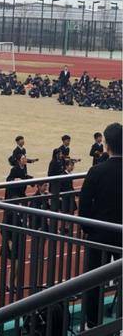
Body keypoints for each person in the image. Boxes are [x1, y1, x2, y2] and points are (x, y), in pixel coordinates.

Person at [79, 123, 122, 328]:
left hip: (99, 235)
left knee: (93, 281)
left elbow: (84, 209)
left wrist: (91, 231)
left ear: (107, 145)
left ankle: (91, 323)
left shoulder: (96, 171)